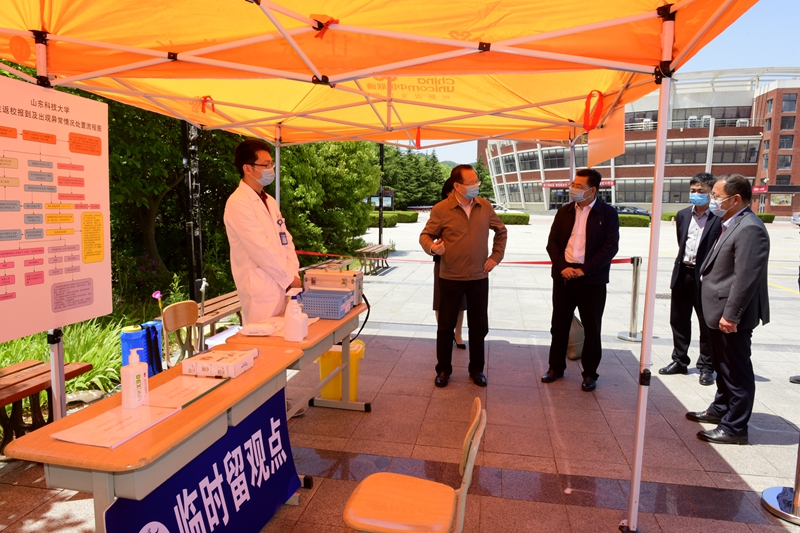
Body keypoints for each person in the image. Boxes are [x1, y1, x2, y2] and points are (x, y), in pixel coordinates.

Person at [686, 174, 770, 445]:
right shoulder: (731, 222)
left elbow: (746, 278)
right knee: (723, 366)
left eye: (716, 196)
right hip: (717, 309)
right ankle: (721, 409)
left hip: (731, 315)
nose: (712, 201)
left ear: (735, 199)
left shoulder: (750, 228)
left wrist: (731, 315)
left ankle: (735, 427)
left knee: (736, 370)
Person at [420, 164, 507, 388]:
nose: (476, 185)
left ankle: (476, 370)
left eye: (476, 181)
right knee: (445, 326)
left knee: (479, 327)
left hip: (479, 276)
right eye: (471, 182)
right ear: (457, 186)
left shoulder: (484, 206)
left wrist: (496, 256)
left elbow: (501, 230)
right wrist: (432, 248)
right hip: (451, 276)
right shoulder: (441, 209)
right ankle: (443, 370)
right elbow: (426, 235)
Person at [542, 168, 619, 392]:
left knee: (592, 328)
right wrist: (563, 267)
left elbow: (610, 248)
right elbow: (552, 243)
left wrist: (584, 270)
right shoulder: (564, 211)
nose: (573, 189)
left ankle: (590, 374)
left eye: (578, 186)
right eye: (573, 185)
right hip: (564, 277)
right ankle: (555, 368)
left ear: (592, 190)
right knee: (559, 326)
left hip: (592, 280)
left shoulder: (607, 214)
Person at [224, 140, 301, 325]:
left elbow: (286, 241)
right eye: (265, 165)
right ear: (247, 168)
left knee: (288, 333)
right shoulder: (238, 203)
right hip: (261, 289)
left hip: (285, 284)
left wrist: (293, 274)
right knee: (264, 337)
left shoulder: (270, 201)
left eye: (271, 164)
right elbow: (260, 249)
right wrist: (288, 278)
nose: (270, 169)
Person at [659, 173, 722, 386]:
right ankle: (679, 360)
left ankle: (707, 366)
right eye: (693, 190)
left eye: (701, 191)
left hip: (705, 277)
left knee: (707, 323)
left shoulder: (719, 217)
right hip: (682, 273)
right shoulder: (683, 214)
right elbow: (682, 242)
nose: (696, 194)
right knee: (678, 319)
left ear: (711, 193)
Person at [433, 179, 467, 349]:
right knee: (441, 301)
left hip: (463, 263)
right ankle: (444, 333)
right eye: (452, 193)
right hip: (443, 261)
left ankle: (458, 334)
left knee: (460, 303)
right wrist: (434, 245)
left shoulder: (468, 210)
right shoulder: (440, 210)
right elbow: (428, 234)